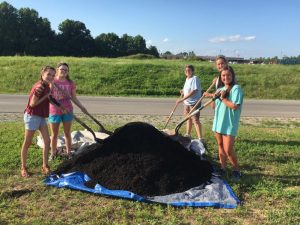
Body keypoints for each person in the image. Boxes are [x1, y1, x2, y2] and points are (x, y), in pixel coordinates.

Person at [20, 66, 55, 177]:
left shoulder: (46, 85)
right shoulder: (40, 87)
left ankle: (45, 166)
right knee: (28, 142)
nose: (51, 77)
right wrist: (46, 96)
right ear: (42, 73)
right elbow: (32, 104)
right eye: (48, 74)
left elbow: (48, 98)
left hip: (40, 117)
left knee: (47, 141)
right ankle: (23, 168)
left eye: (53, 75)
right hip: (32, 116)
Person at [49, 62, 87, 160]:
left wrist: (82, 107)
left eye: (66, 70)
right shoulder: (52, 82)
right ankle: (53, 153)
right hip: (54, 111)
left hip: (68, 110)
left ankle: (69, 152)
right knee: (54, 134)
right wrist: (60, 107)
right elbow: (49, 98)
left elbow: (74, 98)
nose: (64, 71)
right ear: (57, 70)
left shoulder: (71, 83)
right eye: (62, 69)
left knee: (67, 133)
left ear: (68, 72)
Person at [211, 66, 243, 179]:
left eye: (228, 75)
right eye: (223, 75)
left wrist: (223, 99)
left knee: (228, 150)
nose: (226, 77)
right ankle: (223, 168)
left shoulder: (236, 88)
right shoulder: (219, 89)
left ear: (232, 76)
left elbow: (234, 106)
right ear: (221, 77)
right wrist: (215, 96)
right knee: (220, 146)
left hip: (229, 124)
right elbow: (213, 106)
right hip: (218, 122)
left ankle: (236, 169)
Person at [176, 65, 203, 141]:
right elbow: (187, 89)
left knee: (195, 120)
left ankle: (200, 138)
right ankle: (188, 134)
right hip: (186, 103)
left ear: (192, 71)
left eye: (189, 70)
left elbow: (193, 91)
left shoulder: (195, 78)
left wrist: (182, 99)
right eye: (186, 71)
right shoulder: (187, 79)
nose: (187, 72)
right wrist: (183, 91)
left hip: (194, 102)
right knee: (188, 118)